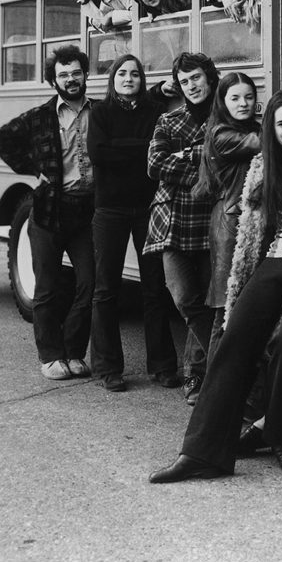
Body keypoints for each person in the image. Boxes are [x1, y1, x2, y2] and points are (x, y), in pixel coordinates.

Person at [149, 91, 282, 482]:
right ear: (271, 128)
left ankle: (279, 431)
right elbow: (253, 225)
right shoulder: (263, 168)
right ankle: (201, 454)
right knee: (233, 340)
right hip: (274, 261)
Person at [0, 44, 96, 380]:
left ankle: (75, 352)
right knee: (47, 286)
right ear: (54, 80)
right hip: (49, 212)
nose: (71, 79)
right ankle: (51, 356)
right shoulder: (40, 116)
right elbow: (2, 140)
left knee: (89, 284)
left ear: (85, 75)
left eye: (76, 73)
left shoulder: (99, 112)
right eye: (63, 75)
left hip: (86, 211)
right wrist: (33, 169)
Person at [87, 53, 181, 392]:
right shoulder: (100, 112)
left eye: (135, 75)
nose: (129, 79)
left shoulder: (154, 112)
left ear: (142, 81)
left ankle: (163, 365)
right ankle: (108, 367)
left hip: (147, 208)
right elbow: (98, 154)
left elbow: (158, 153)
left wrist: (122, 148)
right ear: (113, 79)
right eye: (122, 74)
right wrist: (139, 149)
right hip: (109, 210)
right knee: (106, 289)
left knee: (155, 288)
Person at [143, 52, 220, 405]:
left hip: (211, 220)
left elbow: (227, 167)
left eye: (197, 78)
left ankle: (196, 375)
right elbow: (155, 165)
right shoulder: (169, 120)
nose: (191, 86)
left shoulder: (226, 116)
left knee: (210, 298)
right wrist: (201, 166)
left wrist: (185, 158)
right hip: (173, 220)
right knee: (185, 298)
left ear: (209, 77)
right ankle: (222, 363)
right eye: (185, 81)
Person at [190, 72, 262, 347]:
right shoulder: (222, 134)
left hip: (242, 220)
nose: (243, 103)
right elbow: (266, 142)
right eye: (235, 98)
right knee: (226, 308)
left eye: (249, 97)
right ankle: (214, 385)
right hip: (230, 225)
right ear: (222, 101)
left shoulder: (248, 128)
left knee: (241, 307)